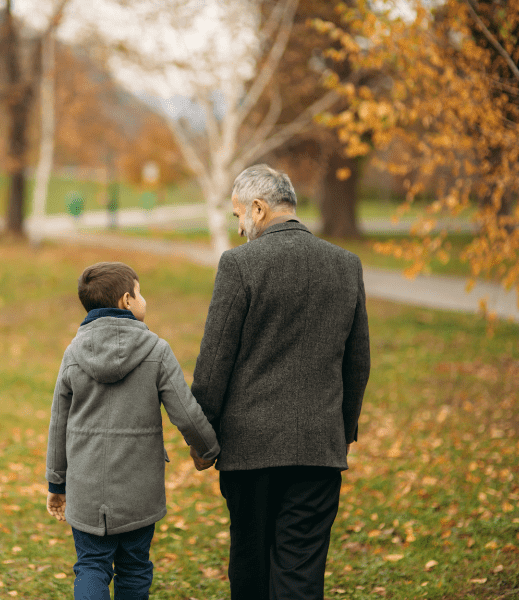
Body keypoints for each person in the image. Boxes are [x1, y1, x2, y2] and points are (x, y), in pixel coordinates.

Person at [190, 164, 370, 600]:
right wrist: (340, 433)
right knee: (301, 573)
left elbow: (214, 363)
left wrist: (202, 438)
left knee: (250, 568)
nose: (238, 228)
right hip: (318, 449)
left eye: (238, 217)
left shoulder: (240, 265)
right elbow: (358, 362)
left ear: (258, 207)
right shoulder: (346, 264)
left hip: (249, 451)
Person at [45, 261, 220, 600]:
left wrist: (56, 483)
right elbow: (185, 412)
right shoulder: (156, 351)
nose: (143, 299)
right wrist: (207, 449)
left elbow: (58, 423)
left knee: (91, 565)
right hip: (138, 493)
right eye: (140, 293)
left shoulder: (74, 353)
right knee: (135, 567)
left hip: (86, 489)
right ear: (127, 300)